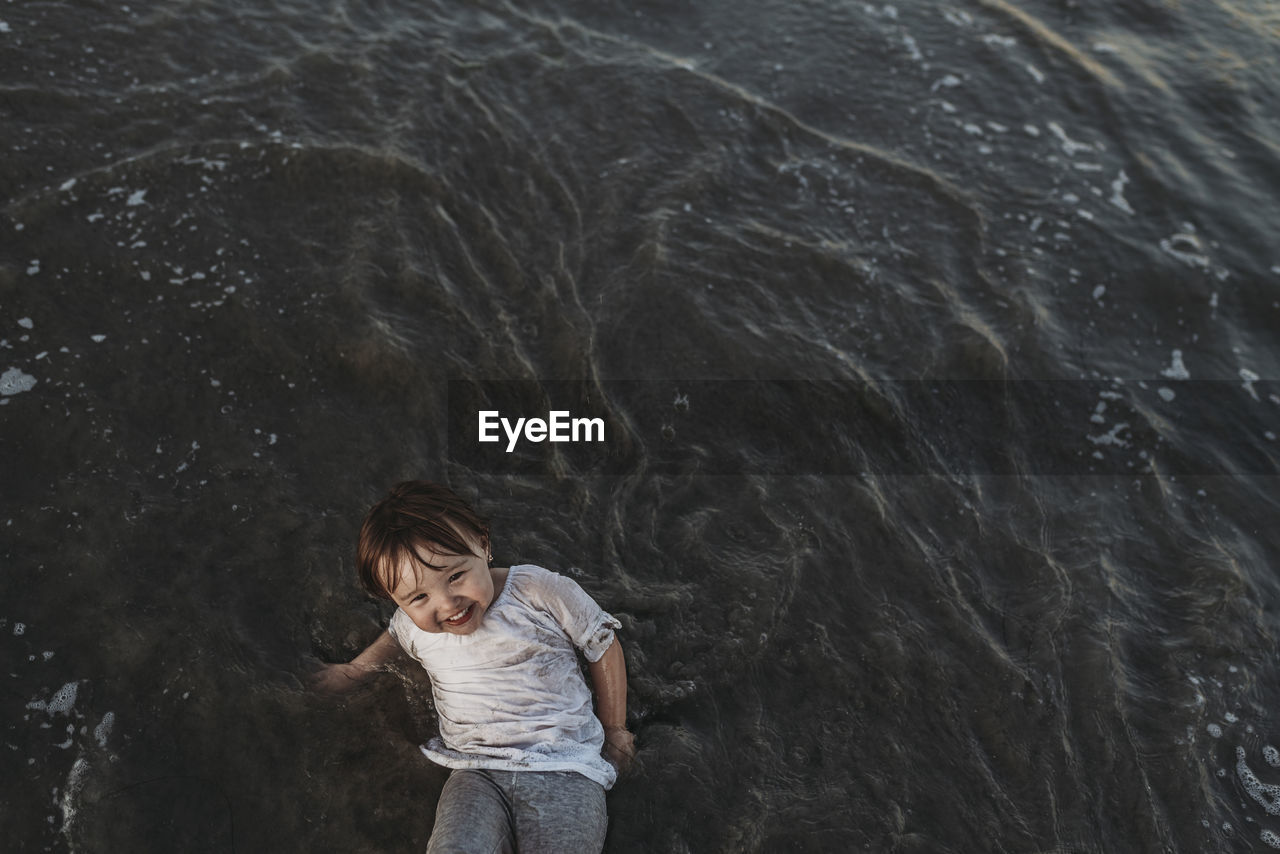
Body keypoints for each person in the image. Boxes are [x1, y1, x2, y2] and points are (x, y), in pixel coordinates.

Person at [312, 480, 634, 854]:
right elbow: (395, 639)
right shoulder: (410, 624)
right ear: (394, 599)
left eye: (456, 576)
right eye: (419, 597)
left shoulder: (538, 591)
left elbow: (603, 643)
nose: (448, 603)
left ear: (482, 542)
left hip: (565, 766)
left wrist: (615, 728)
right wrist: (354, 671)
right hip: (475, 772)